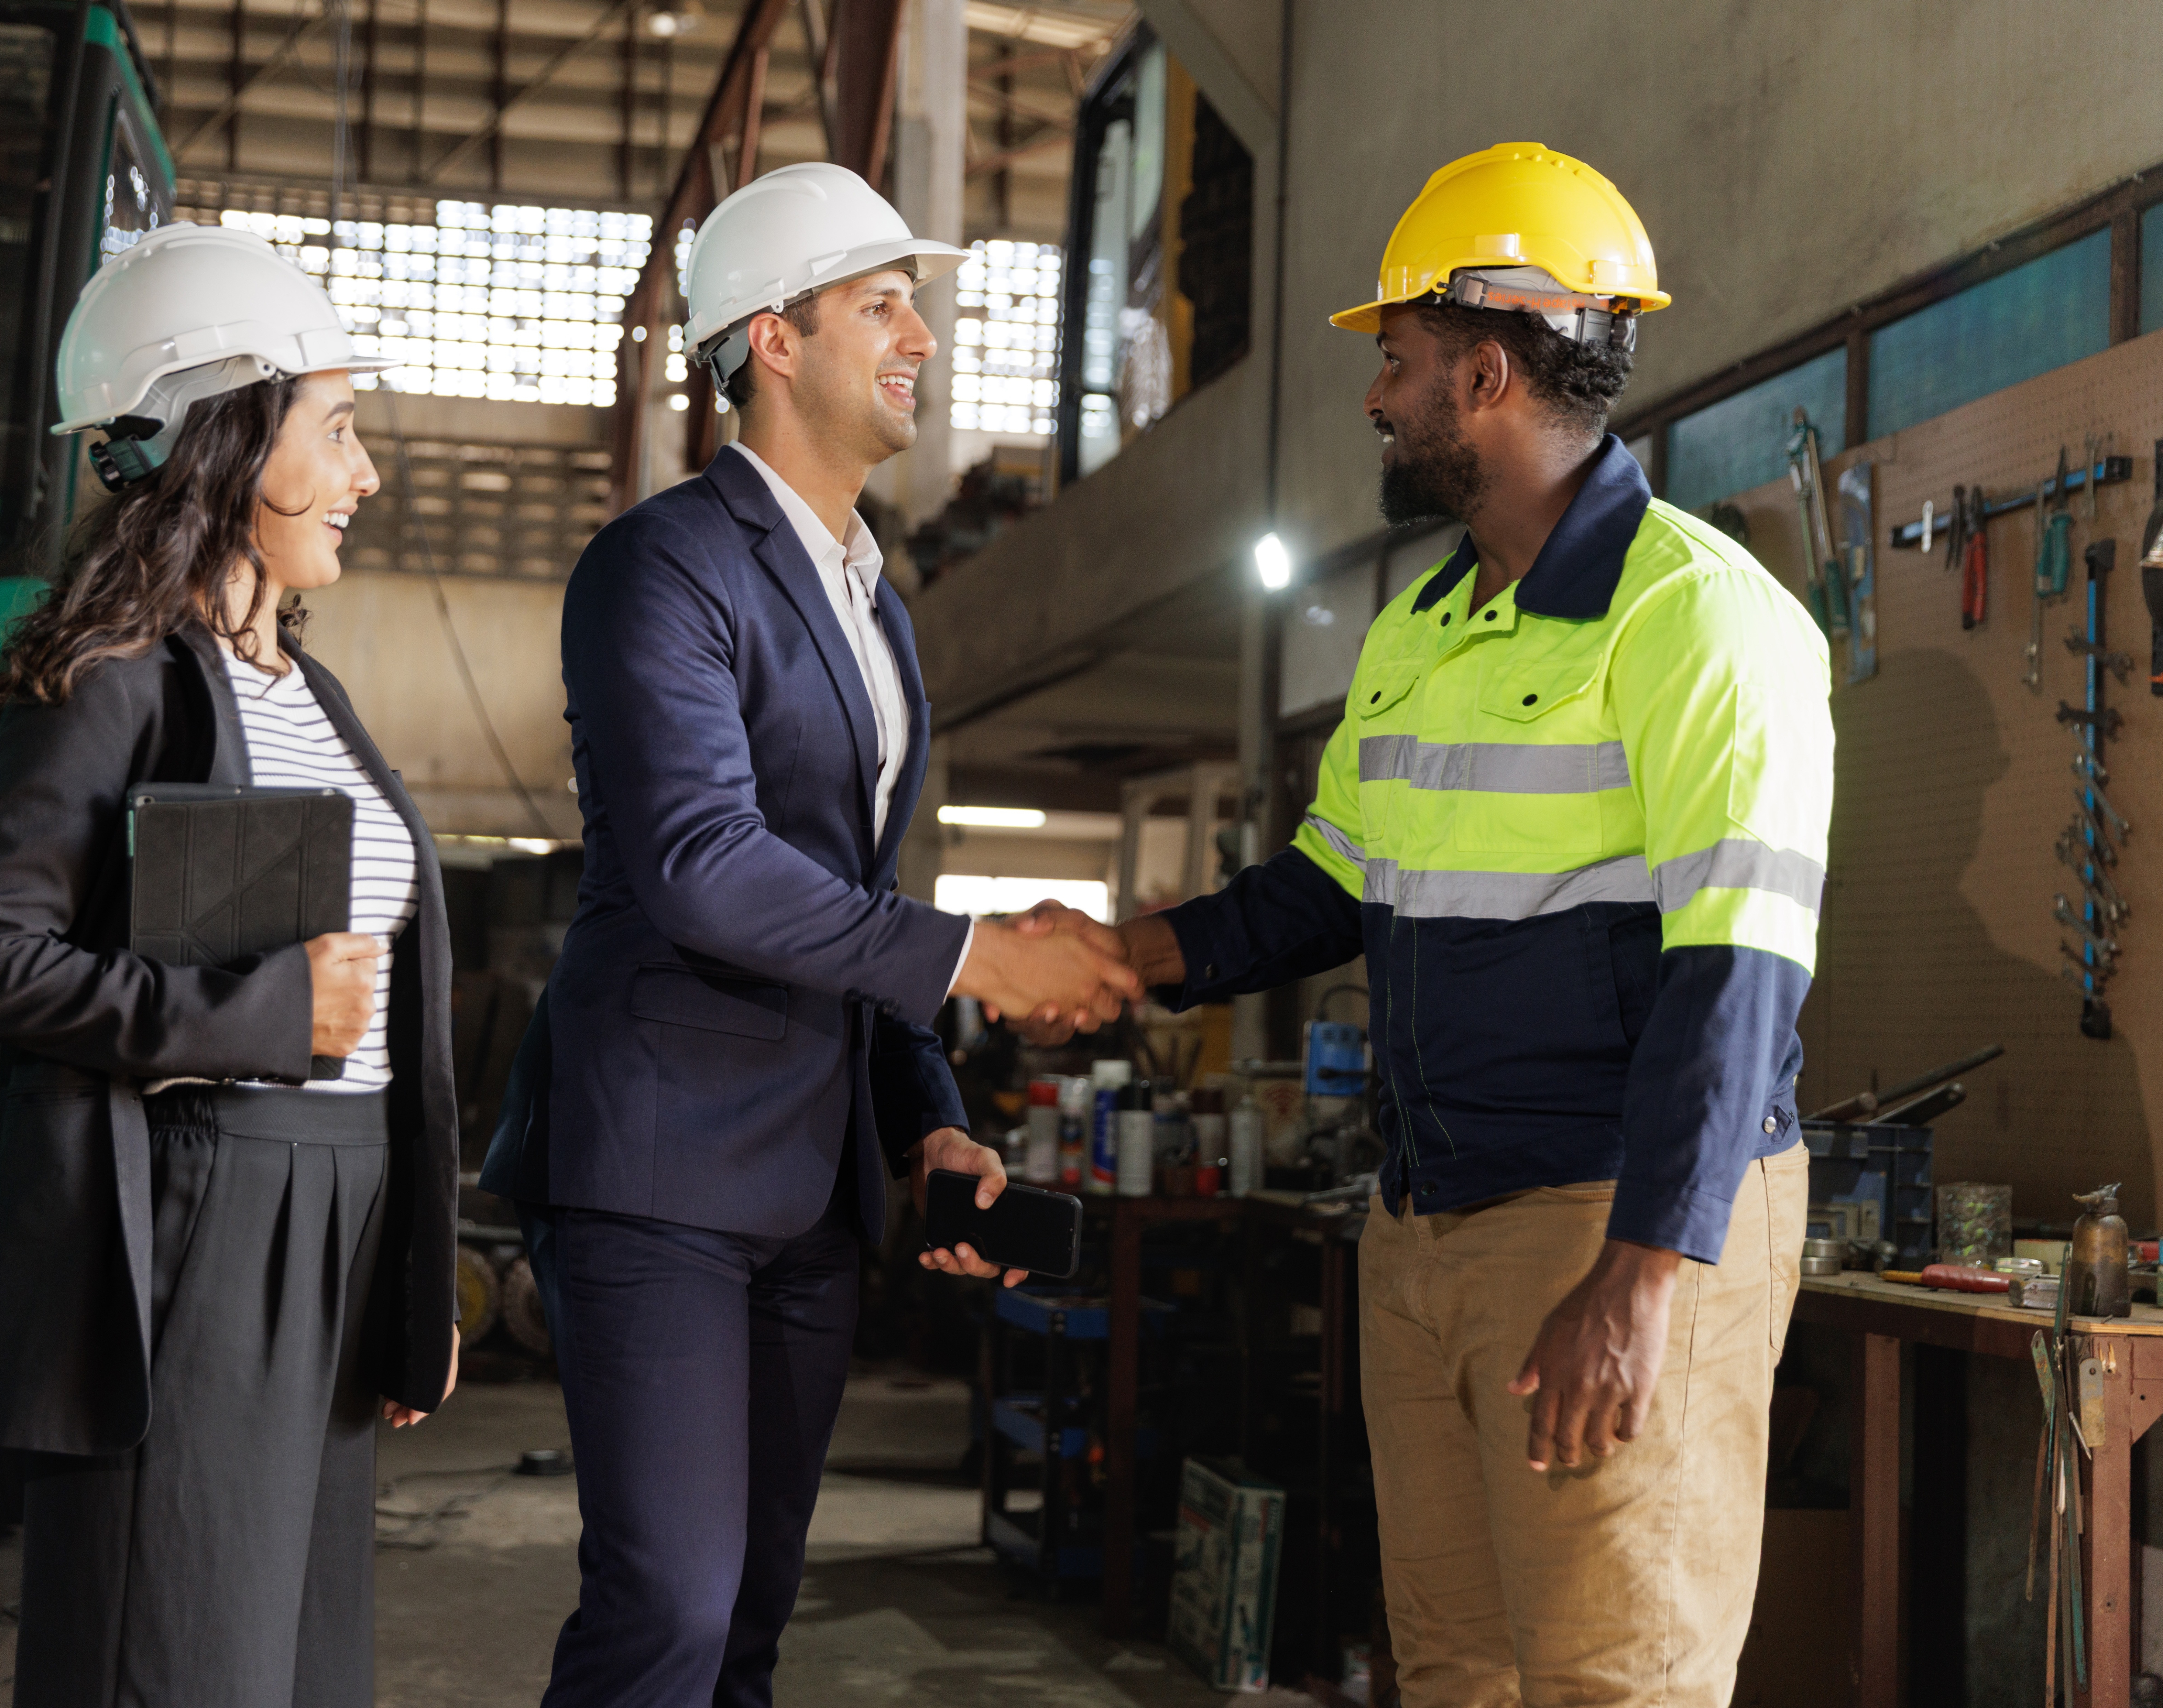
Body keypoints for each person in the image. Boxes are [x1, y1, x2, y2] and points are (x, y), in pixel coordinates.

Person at [1019, 143, 1833, 1706]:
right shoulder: (1425, 625)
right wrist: (1132, 955)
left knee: (1613, 1682)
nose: (1374, 398)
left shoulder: (1701, 620)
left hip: (1604, 1225)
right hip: (1424, 1224)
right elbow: (1332, 883)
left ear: (1481, 372)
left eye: (1392, 362)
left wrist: (1644, 1274)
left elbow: (1737, 974)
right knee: (1455, 1671)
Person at [480, 162, 1141, 1708]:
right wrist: (979, 955)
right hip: (657, 1170)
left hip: (807, 1184)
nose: (919, 334)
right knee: (671, 1611)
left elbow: (847, 897)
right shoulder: (665, 565)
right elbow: (704, 864)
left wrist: (930, 1127)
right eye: (881, 302)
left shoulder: (874, 604)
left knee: (752, 1621)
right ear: (772, 340)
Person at [0, 224, 463, 1708]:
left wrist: (412, 1269)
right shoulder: (114, 682)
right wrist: (263, 1014)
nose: (363, 475)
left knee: (296, 1666)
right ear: (230, 436)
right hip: (199, 1214)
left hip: (334, 1217)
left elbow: (379, 1021)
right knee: (176, 1654)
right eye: (337, 430)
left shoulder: (311, 691)